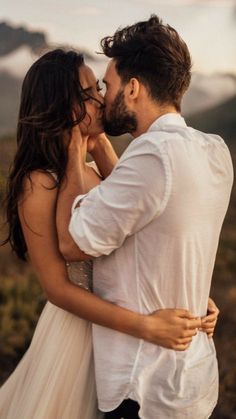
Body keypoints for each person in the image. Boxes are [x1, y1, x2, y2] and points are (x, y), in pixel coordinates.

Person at [0, 48, 217, 419]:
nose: (101, 99)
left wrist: (191, 295)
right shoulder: (39, 183)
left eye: (98, 89)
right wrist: (147, 327)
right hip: (80, 336)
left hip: (117, 331)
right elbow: (56, 288)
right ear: (60, 105)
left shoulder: (90, 168)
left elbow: (139, 225)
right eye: (88, 94)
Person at [56, 15, 233, 419]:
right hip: (193, 379)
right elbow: (157, 214)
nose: (104, 96)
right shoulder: (215, 151)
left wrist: (73, 151)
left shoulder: (152, 156)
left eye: (109, 85)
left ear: (133, 89)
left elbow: (72, 242)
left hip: (144, 387)